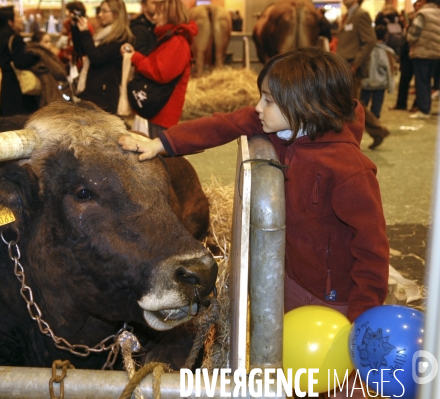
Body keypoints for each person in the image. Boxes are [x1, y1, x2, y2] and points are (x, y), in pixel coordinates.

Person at [119, 47, 389, 327]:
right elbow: (220, 125)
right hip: (289, 279)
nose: (258, 107)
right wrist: (159, 144)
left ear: (304, 105)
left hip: (335, 298)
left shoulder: (350, 172)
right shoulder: (283, 123)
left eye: (268, 100)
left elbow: (372, 252)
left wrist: (362, 323)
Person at [121, 0, 197, 138]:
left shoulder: (176, 42)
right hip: (159, 109)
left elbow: (161, 73)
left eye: (159, 13)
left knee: (159, 154)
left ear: (170, 15)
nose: (154, 17)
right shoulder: (171, 39)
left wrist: (135, 58)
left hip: (162, 111)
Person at [337, 0, 390, 150]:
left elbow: (370, 41)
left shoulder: (361, 15)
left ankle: (373, 133)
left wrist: (355, 64)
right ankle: (377, 131)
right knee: (351, 102)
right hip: (344, 66)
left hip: (351, 67)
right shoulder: (348, 15)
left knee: (350, 103)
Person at [71, 0, 133, 115]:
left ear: (116, 13)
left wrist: (85, 32)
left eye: (104, 11)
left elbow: (96, 57)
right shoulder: (103, 33)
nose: (100, 14)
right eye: (100, 10)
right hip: (94, 91)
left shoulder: (121, 36)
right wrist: (75, 28)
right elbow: (83, 51)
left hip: (105, 95)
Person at [0, 6, 40, 117]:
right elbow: (21, 62)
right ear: (10, 22)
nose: (21, 19)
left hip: (6, 86)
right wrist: (35, 56)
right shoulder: (16, 39)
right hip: (18, 88)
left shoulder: (0, 39)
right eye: (18, 16)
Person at [406, 0, 440, 119]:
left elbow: (413, 34)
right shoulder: (438, 12)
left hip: (422, 52)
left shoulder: (423, 13)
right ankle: (426, 107)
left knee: (421, 81)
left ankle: (424, 109)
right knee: (428, 81)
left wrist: (409, 39)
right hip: (436, 52)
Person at [360, 24, 396, 119]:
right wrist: (391, 87)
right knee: (376, 107)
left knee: (362, 106)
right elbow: (390, 70)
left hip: (365, 82)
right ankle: (375, 122)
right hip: (380, 83)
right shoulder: (388, 52)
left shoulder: (364, 50)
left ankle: (361, 123)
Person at [27, 31, 69, 107]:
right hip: (47, 90)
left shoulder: (32, 53)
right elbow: (60, 72)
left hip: (42, 91)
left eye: (49, 41)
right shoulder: (42, 53)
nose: (49, 44)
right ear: (38, 43)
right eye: (46, 42)